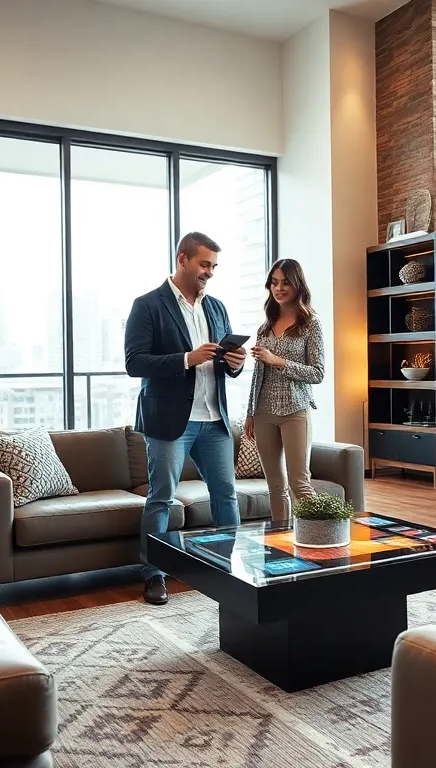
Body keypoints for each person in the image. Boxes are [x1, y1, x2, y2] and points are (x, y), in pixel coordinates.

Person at [124, 231, 247, 606]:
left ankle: (228, 567)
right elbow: (134, 362)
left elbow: (224, 362)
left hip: (214, 419)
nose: (209, 272)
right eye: (203, 264)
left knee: (226, 496)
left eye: (213, 266)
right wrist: (186, 359)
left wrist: (235, 364)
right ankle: (154, 575)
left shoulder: (217, 307)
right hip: (170, 421)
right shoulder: (147, 305)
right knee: (160, 499)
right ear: (182, 260)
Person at [245, 258, 325, 523]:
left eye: (285, 283)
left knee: (299, 484)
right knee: (275, 487)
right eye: (274, 282)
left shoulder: (311, 324)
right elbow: (258, 374)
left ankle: (321, 539)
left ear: (297, 285)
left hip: (295, 411)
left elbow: (318, 373)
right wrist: (250, 413)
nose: (278, 288)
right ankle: (282, 543)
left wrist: (277, 360)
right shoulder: (264, 327)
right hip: (263, 413)